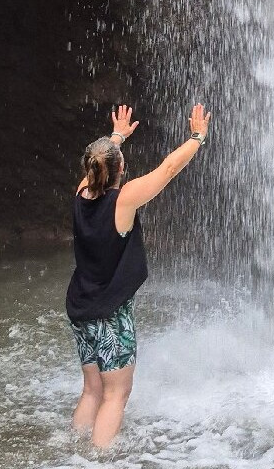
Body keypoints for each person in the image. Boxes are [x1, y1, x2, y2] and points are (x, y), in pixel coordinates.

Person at [65, 103, 211, 448]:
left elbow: (98, 162)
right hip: (109, 314)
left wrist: (117, 136)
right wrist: (197, 137)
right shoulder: (123, 201)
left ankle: (71, 451)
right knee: (116, 395)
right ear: (121, 168)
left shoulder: (81, 193)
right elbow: (169, 169)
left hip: (80, 308)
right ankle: (98, 459)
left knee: (92, 389)